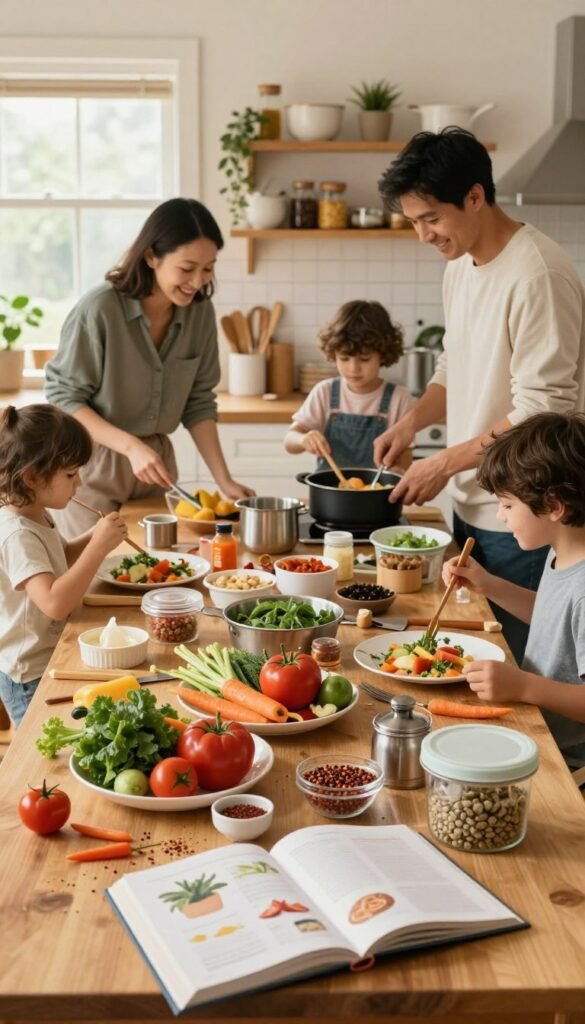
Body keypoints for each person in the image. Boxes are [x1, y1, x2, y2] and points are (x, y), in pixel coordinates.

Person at [375, 128, 585, 662]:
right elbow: (456, 364)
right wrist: (412, 424)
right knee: (473, 663)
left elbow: (544, 410)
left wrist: (443, 463)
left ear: (475, 196)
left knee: (525, 677)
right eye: (413, 222)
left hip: (526, 511)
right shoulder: (460, 266)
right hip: (474, 501)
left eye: (431, 218)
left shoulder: (538, 273)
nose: (424, 235)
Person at [45, 197, 254, 537]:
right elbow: (63, 398)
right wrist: (130, 446)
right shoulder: (100, 310)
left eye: (209, 268)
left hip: (156, 464)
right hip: (93, 465)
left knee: (156, 575)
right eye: (187, 268)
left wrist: (223, 480)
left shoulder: (199, 313)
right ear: (151, 256)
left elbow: (199, 401)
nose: (198, 281)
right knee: (95, 577)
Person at [442, 412, 585, 771]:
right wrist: (488, 585)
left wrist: (523, 687)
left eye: (507, 505)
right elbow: (552, 618)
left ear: (553, 506)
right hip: (536, 731)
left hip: (566, 764)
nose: (502, 517)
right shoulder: (563, 551)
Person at [0, 404, 128, 726]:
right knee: (37, 752)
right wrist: (98, 547)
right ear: (31, 477)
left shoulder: (36, 512)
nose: (79, 483)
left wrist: (93, 536)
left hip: (52, 656)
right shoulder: (17, 533)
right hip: (29, 673)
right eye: (71, 474)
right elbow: (54, 603)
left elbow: (60, 556)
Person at [284, 300, 414, 472]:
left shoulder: (399, 398)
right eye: (344, 358)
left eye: (364, 359)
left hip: (378, 494)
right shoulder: (325, 392)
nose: (354, 369)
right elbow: (289, 441)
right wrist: (303, 439)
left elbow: (405, 456)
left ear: (382, 355)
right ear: (333, 354)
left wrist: (398, 470)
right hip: (329, 495)